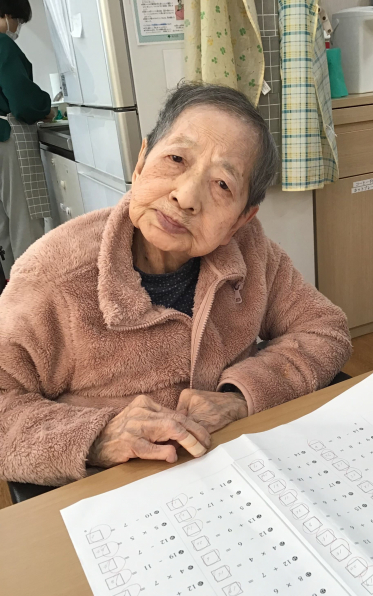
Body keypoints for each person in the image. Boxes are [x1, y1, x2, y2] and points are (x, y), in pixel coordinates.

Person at [0, 83, 352, 487]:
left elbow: (325, 329)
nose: (186, 197)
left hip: (236, 474)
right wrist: (99, 436)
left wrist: (241, 396)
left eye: (222, 185)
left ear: (240, 220)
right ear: (140, 163)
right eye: (176, 159)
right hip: (116, 493)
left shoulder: (251, 251)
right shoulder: (52, 276)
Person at [0, 0, 55, 278]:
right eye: (19, 21)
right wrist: (46, 107)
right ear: (7, 14)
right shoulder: (2, 45)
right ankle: (33, 293)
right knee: (25, 220)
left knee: (3, 226)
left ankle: (14, 293)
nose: (17, 27)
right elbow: (22, 101)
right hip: (9, 140)